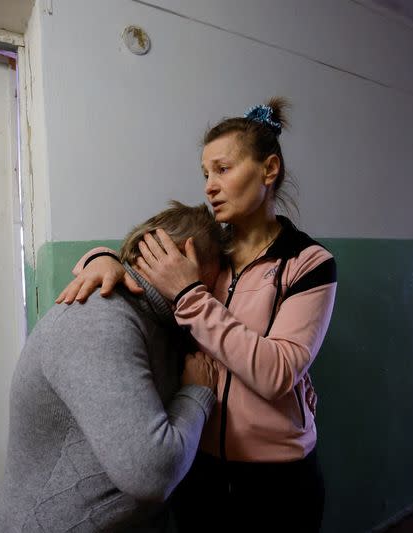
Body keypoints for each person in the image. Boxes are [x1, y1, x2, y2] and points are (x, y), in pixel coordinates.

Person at [56, 98, 337, 532]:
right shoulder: (207, 252)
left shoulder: (308, 263)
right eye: (205, 173)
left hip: (278, 475)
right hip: (197, 462)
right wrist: (102, 257)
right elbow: (137, 252)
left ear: (269, 169)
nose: (209, 185)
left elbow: (276, 373)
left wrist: (189, 295)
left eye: (223, 169)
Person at [0, 202, 226, 533]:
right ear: (186, 260)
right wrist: (197, 393)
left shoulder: (166, 322)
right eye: (220, 278)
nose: (219, 295)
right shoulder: (98, 319)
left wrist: (103, 256)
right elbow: (151, 474)